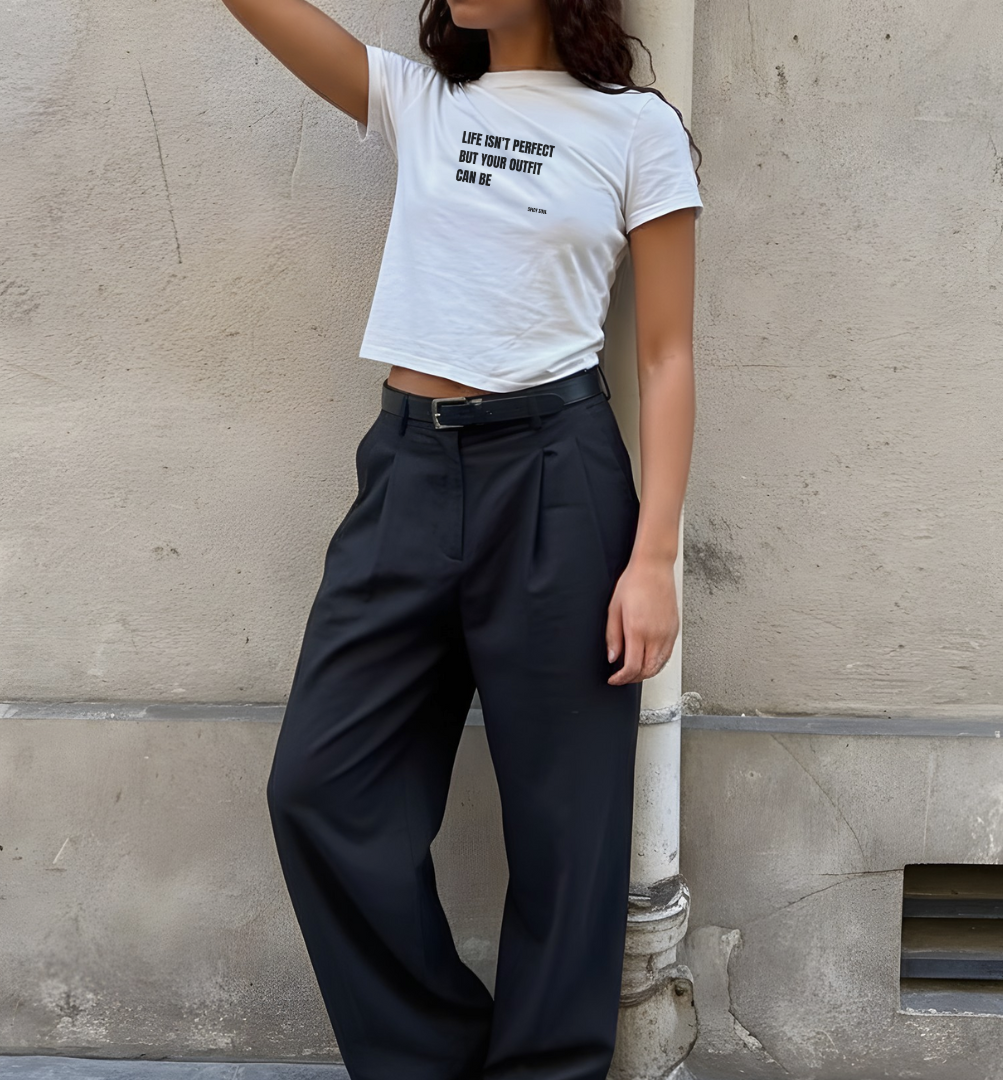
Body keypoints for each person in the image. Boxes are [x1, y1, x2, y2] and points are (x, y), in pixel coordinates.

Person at [220, 1, 703, 1077]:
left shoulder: (638, 129)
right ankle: (432, 1059)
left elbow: (667, 354)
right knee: (318, 786)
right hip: (408, 474)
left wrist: (654, 556)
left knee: (567, 836)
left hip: (559, 480)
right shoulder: (419, 99)